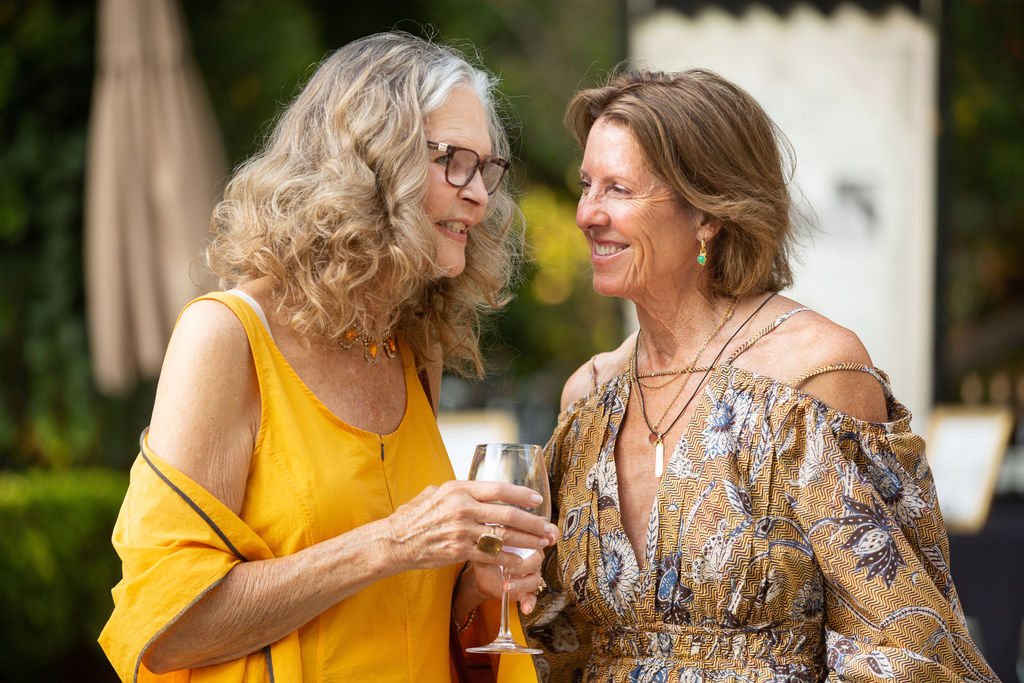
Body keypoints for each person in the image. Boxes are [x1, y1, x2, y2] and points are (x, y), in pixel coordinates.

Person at [98, 31, 558, 682]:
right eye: (453, 159)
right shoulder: (225, 337)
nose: (480, 194)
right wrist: (389, 541)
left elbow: (398, 616)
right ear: (366, 163)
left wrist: (473, 592)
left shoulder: (411, 349)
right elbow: (168, 630)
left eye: (486, 169)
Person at [522, 69, 997, 682]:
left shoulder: (814, 373)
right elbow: (554, 642)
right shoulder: (588, 397)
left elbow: (898, 643)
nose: (588, 214)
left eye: (619, 189)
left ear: (707, 214)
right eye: (587, 185)